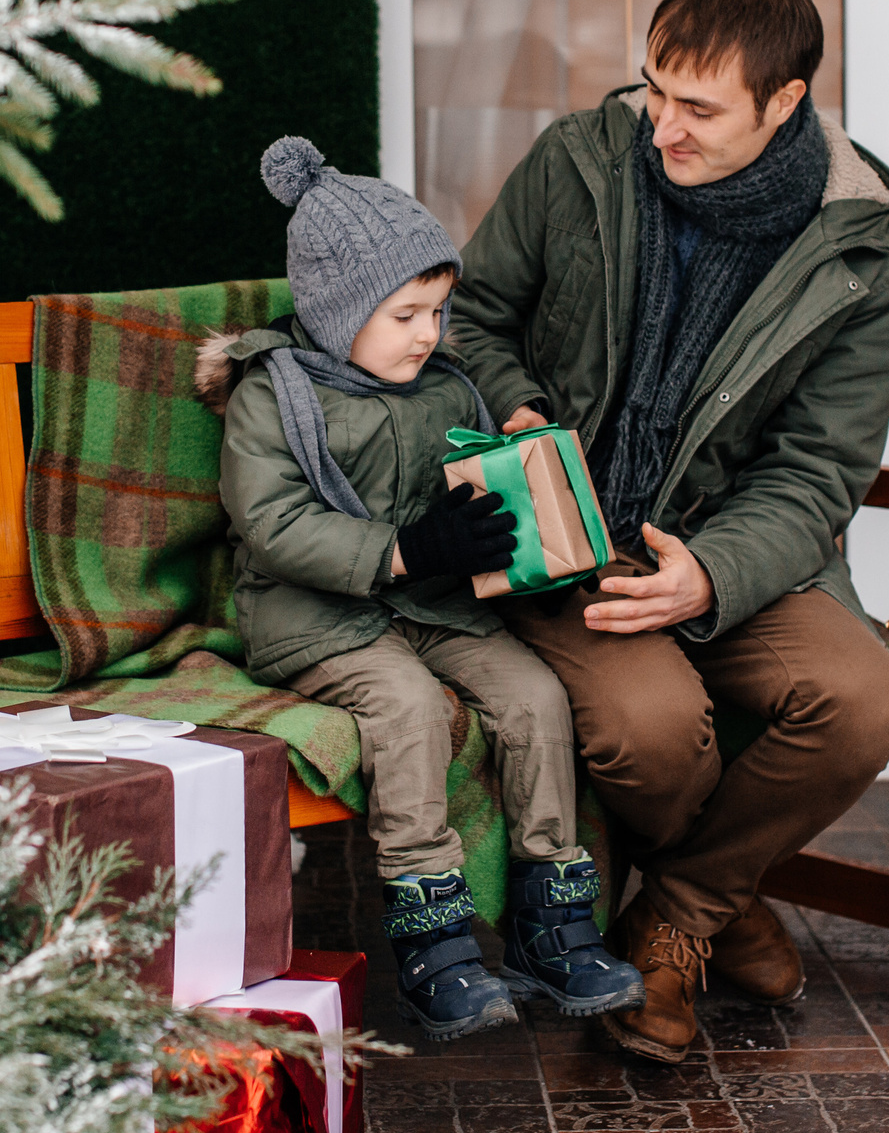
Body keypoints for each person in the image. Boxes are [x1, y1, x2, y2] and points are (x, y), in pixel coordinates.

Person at [447, 0, 889, 1063]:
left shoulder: (867, 266)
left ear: (785, 102)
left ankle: (672, 917)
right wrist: (517, 413)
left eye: (697, 107)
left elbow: (817, 470)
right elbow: (468, 321)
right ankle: (723, 903)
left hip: (740, 553)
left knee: (859, 700)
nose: (661, 126)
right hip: (563, 544)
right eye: (654, 88)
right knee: (652, 729)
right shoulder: (577, 163)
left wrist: (710, 574)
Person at [203, 136, 645, 1040]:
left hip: (431, 603)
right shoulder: (274, 394)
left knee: (532, 694)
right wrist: (407, 550)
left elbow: (477, 506)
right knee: (407, 706)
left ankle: (550, 917)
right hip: (313, 617)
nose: (428, 334)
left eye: (438, 312)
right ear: (338, 307)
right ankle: (433, 932)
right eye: (406, 313)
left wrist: (531, 545)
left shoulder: (445, 389)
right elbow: (275, 525)